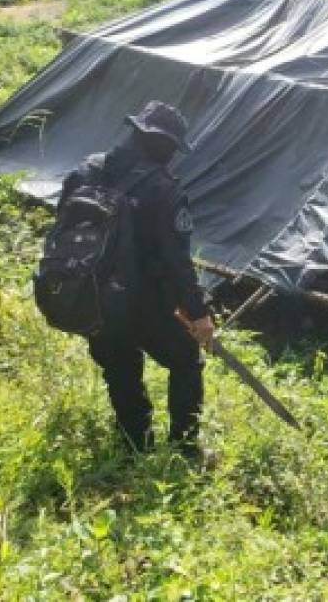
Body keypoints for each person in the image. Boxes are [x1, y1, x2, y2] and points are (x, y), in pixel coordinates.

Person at [58, 100, 214, 458]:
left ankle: (135, 445)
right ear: (165, 145)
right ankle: (185, 450)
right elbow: (177, 262)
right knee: (186, 360)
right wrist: (198, 314)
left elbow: (63, 229)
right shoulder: (163, 190)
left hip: (88, 294)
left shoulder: (87, 170)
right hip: (142, 303)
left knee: (121, 368)